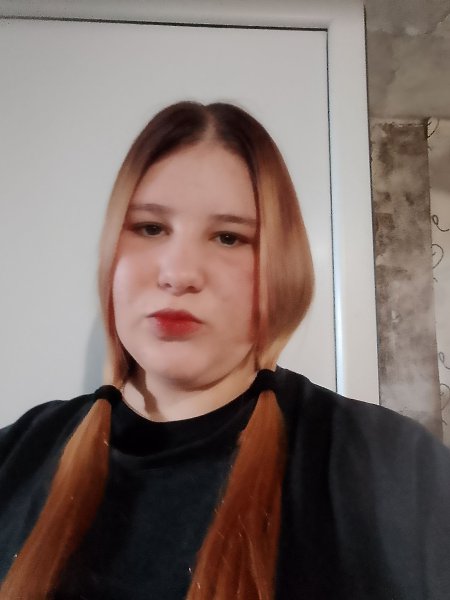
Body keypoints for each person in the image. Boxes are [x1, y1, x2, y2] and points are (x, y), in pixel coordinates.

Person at [0, 101, 449, 600]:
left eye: (229, 238)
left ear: (282, 266)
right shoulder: (14, 457)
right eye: (150, 228)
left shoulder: (394, 468)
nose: (179, 274)